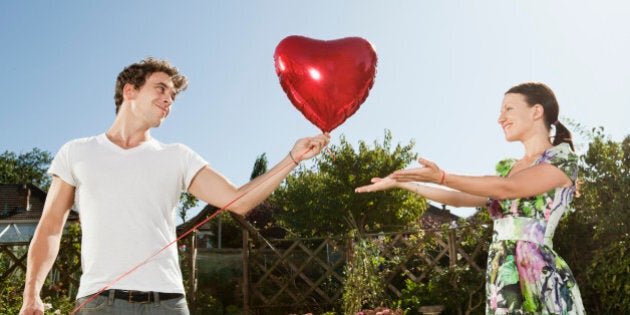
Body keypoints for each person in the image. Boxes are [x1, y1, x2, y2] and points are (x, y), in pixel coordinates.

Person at [20, 57, 330, 315]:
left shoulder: (177, 156)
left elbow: (239, 201)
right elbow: (49, 228)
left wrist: (293, 157)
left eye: (173, 95)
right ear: (130, 90)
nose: (169, 99)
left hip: (167, 304)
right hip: (100, 303)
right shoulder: (76, 152)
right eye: (161, 89)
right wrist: (30, 295)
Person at [355, 82, 585, 314]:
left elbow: (508, 189)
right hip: (502, 272)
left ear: (536, 111)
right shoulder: (508, 168)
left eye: (508, 109)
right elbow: (457, 198)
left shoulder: (562, 160)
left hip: (538, 275)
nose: (500, 118)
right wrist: (403, 183)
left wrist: (442, 176)